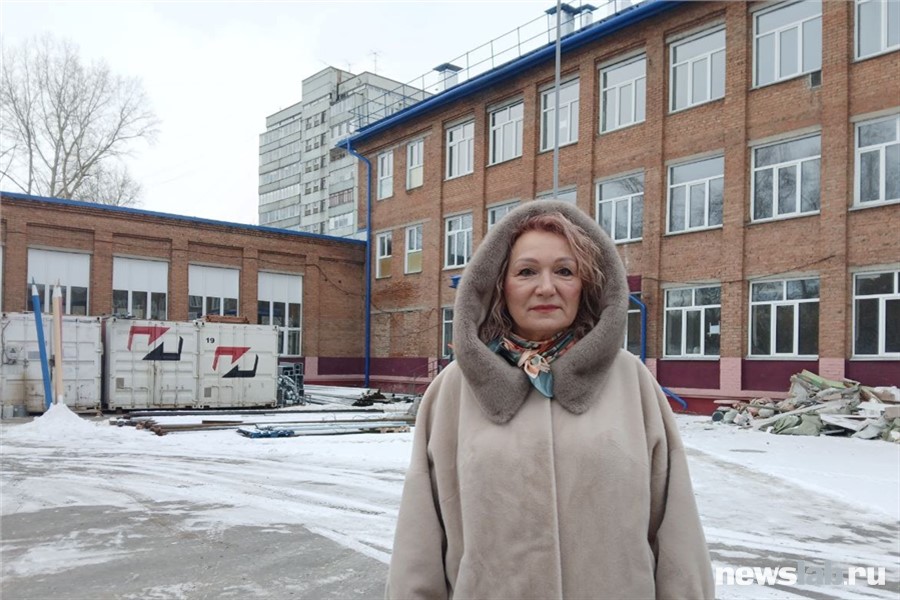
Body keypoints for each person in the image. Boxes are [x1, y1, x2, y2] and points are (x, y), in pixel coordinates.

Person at [386, 200, 714, 599]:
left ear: (586, 285)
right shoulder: (454, 388)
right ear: (499, 285)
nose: (546, 287)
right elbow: (420, 536)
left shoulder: (631, 381)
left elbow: (676, 528)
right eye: (526, 271)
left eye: (564, 271)